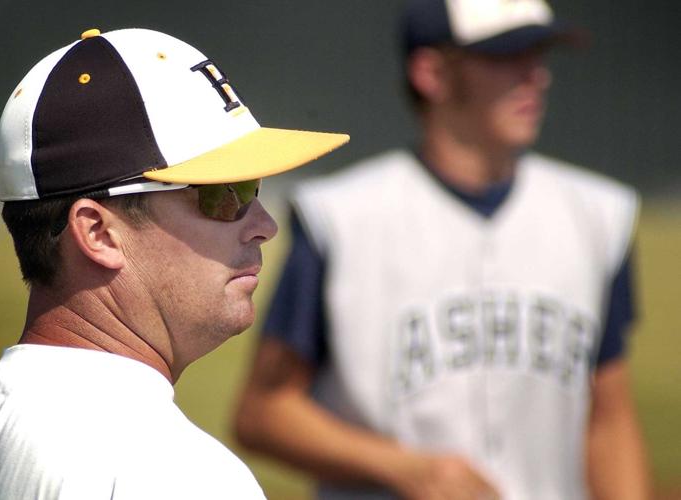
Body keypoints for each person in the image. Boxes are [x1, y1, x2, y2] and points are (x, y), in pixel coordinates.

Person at [234, 1, 652, 499]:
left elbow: (609, 420)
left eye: (539, 53)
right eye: (506, 56)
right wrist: (404, 469)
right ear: (431, 73)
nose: (535, 76)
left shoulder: (598, 215)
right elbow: (263, 412)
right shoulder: (342, 219)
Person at [0, 27, 348, 499]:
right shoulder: (178, 474)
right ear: (97, 232)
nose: (264, 225)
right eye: (220, 193)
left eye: (251, 186)